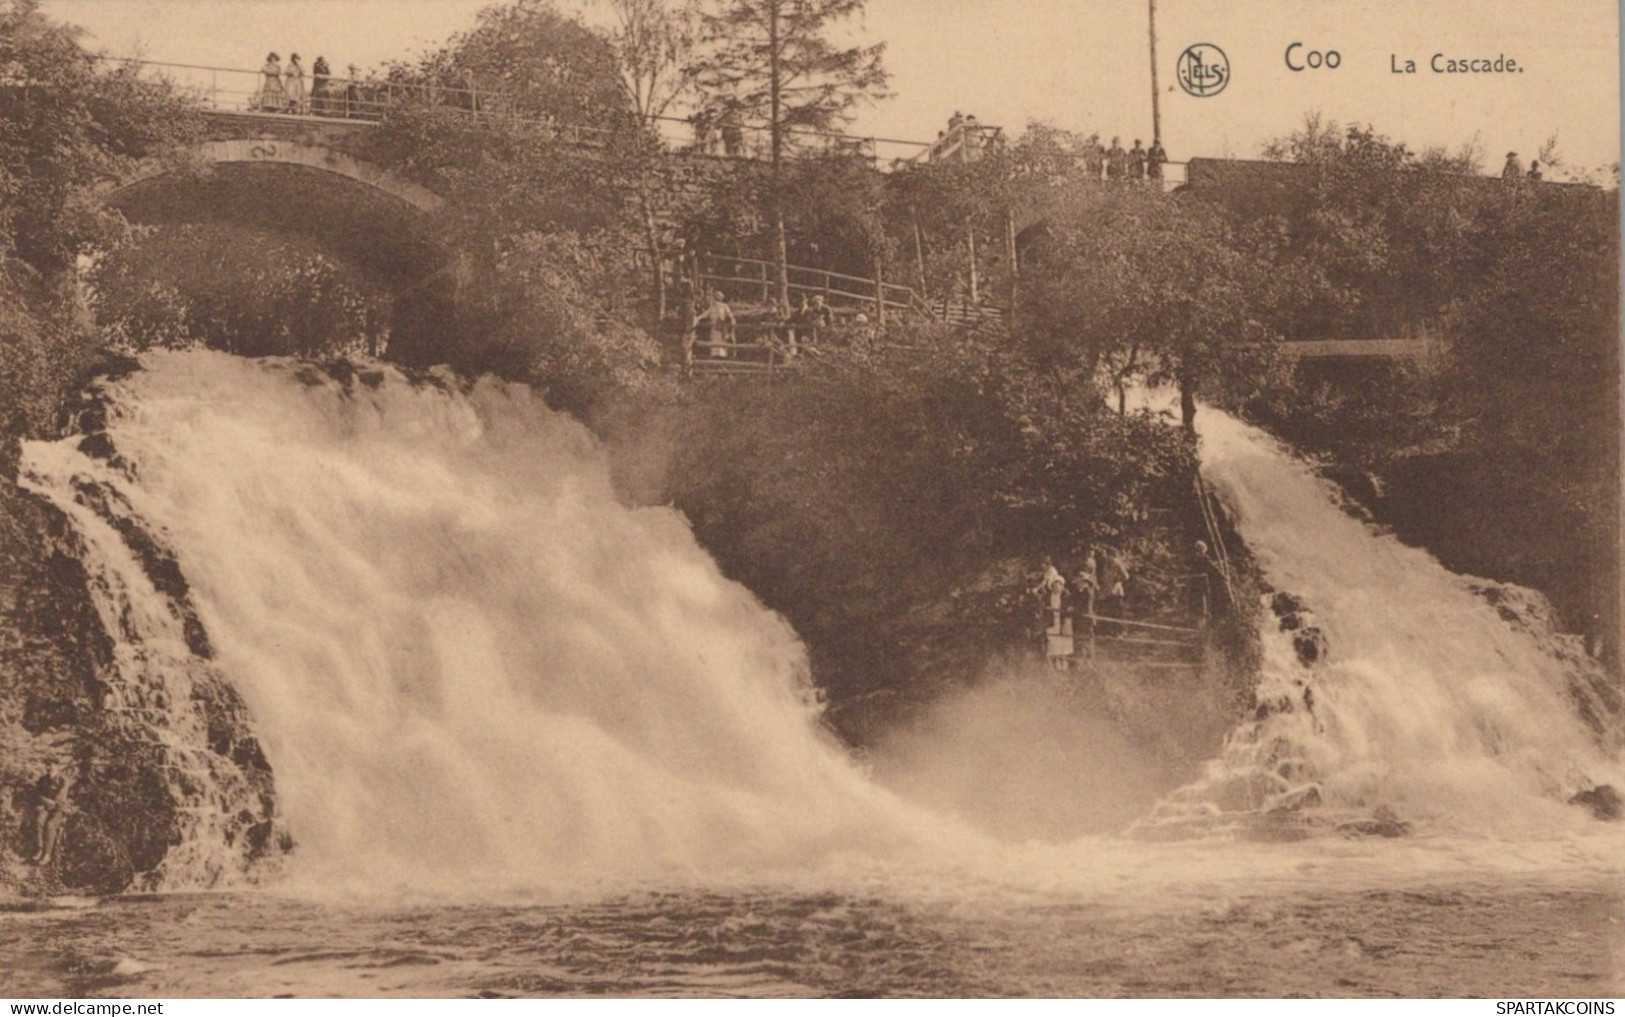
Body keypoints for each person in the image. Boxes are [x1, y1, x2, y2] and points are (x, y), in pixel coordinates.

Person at [28, 763, 74, 867]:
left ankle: (47, 854)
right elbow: (37, 794)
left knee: (50, 825)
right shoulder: (43, 779)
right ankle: (40, 848)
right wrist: (45, 802)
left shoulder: (63, 779)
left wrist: (53, 804)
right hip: (46, 806)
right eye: (47, 765)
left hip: (58, 808)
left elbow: (61, 796)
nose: (49, 767)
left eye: (51, 765)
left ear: (58, 767)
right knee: (39, 820)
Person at [1031, 557, 1072, 669]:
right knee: (1053, 643)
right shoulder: (1049, 596)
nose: (1055, 587)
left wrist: (1068, 610)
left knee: (1063, 644)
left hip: (1063, 621)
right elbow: (1042, 599)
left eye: (1058, 585)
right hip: (1052, 621)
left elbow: (1069, 604)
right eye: (1054, 585)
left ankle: (1064, 666)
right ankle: (1055, 666)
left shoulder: (1065, 595)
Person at [694, 291, 735, 358]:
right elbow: (705, 314)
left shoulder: (724, 306)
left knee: (721, 342)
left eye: (717, 298)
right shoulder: (712, 307)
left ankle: (722, 356)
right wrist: (697, 318)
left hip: (721, 327)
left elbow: (730, 315)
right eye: (715, 298)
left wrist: (731, 321)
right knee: (714, 341)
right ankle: (715, 356)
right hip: (713, 327)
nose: (716, 300)